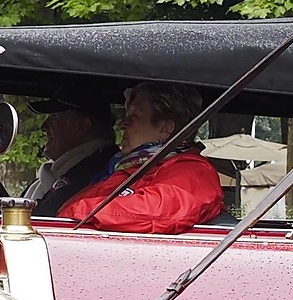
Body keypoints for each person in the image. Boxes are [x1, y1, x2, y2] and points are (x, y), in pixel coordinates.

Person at [59, 80, 223, 233]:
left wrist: (77, 211)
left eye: (134, 116)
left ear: (165, 129)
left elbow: (159, 210)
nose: (122, 124)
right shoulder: (127, 168)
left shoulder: (192, 171)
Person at [23, 92, 117, 216]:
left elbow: (43, 215)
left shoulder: (93, 175)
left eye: (55, 117)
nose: (44, 126)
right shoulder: (64, 173)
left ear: (82, 126)